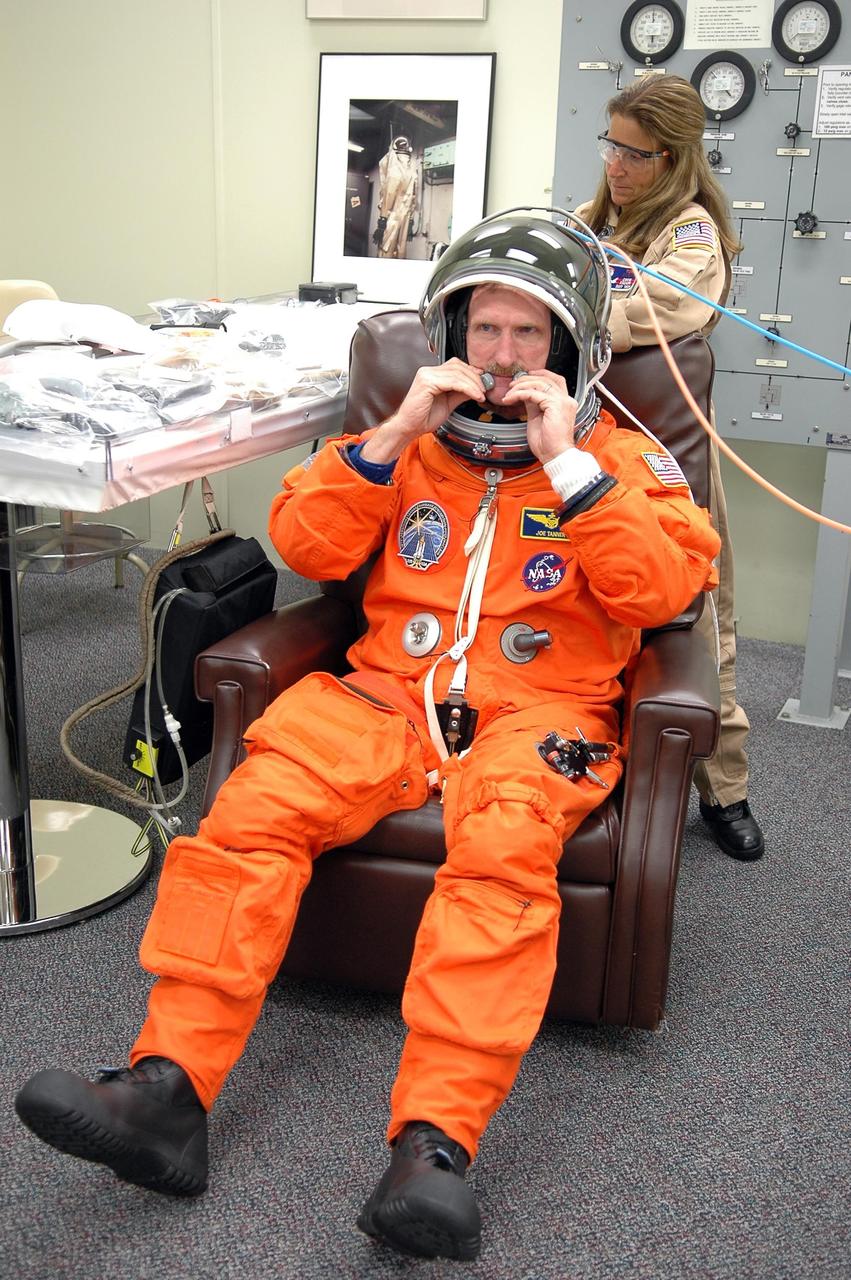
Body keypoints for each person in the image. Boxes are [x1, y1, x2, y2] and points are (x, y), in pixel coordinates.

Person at [14, 211, 720, 1263]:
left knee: (499, 862)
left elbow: (664, 588)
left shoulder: (619, 460)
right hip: (384, 696)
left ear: (570, 352)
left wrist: (567, 464)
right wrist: (392, 434)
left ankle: (433, 1145)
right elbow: (307, 541)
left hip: (540, 716)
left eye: (530, 337)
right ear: (450, 334)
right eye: (484, 330)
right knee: (245, 812)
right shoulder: (401, 445)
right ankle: (166, 1090)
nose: (502, 357)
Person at [573, 74, 765, 862]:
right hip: (585, 445)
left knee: (697, 619)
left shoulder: (688, 231)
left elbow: (669, 309)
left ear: (675, 157)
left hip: (665, 451)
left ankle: (724, 792)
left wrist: (578, 310)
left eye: (635, 153)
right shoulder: (590, 221)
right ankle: (602, 768)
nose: (616, 163)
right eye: (611, 144)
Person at [373, 135, 417, 259]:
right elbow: (413, 197)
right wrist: (411, 221)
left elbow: (389, 195)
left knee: (385, 252)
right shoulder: (413, 170)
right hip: (406, 217)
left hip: (391, 218)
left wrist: (382, 221)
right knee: (400, 253)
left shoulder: (395, 169)